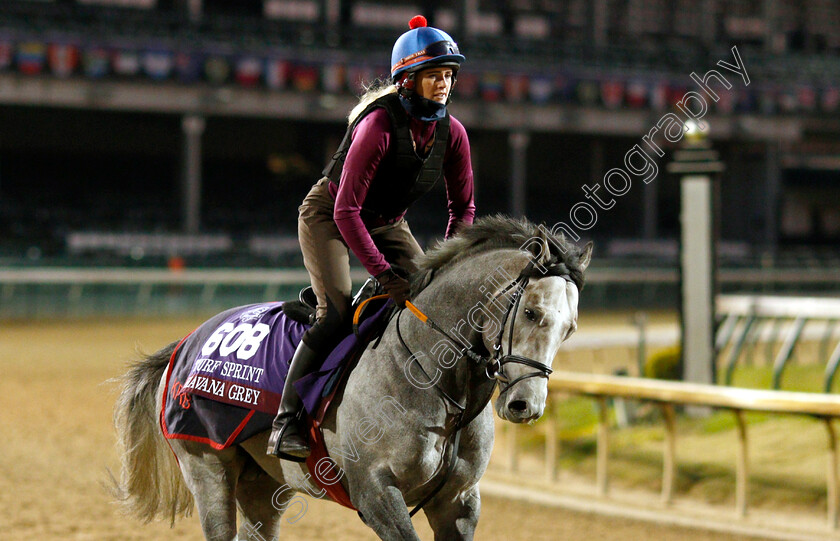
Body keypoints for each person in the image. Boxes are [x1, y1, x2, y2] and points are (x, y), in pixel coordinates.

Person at [267, 15, 476, 460]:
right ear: (406, 80)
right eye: (433, 75)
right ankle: (286, 420)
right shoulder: (378, 127)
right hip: (329, 213)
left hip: (387, 222)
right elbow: (346, 210)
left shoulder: (453, 134)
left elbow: (463, 211)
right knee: (337, 314)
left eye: (448, 75)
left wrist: (452, 264)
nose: (443, 84)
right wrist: (384, 273)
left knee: (432, 302)